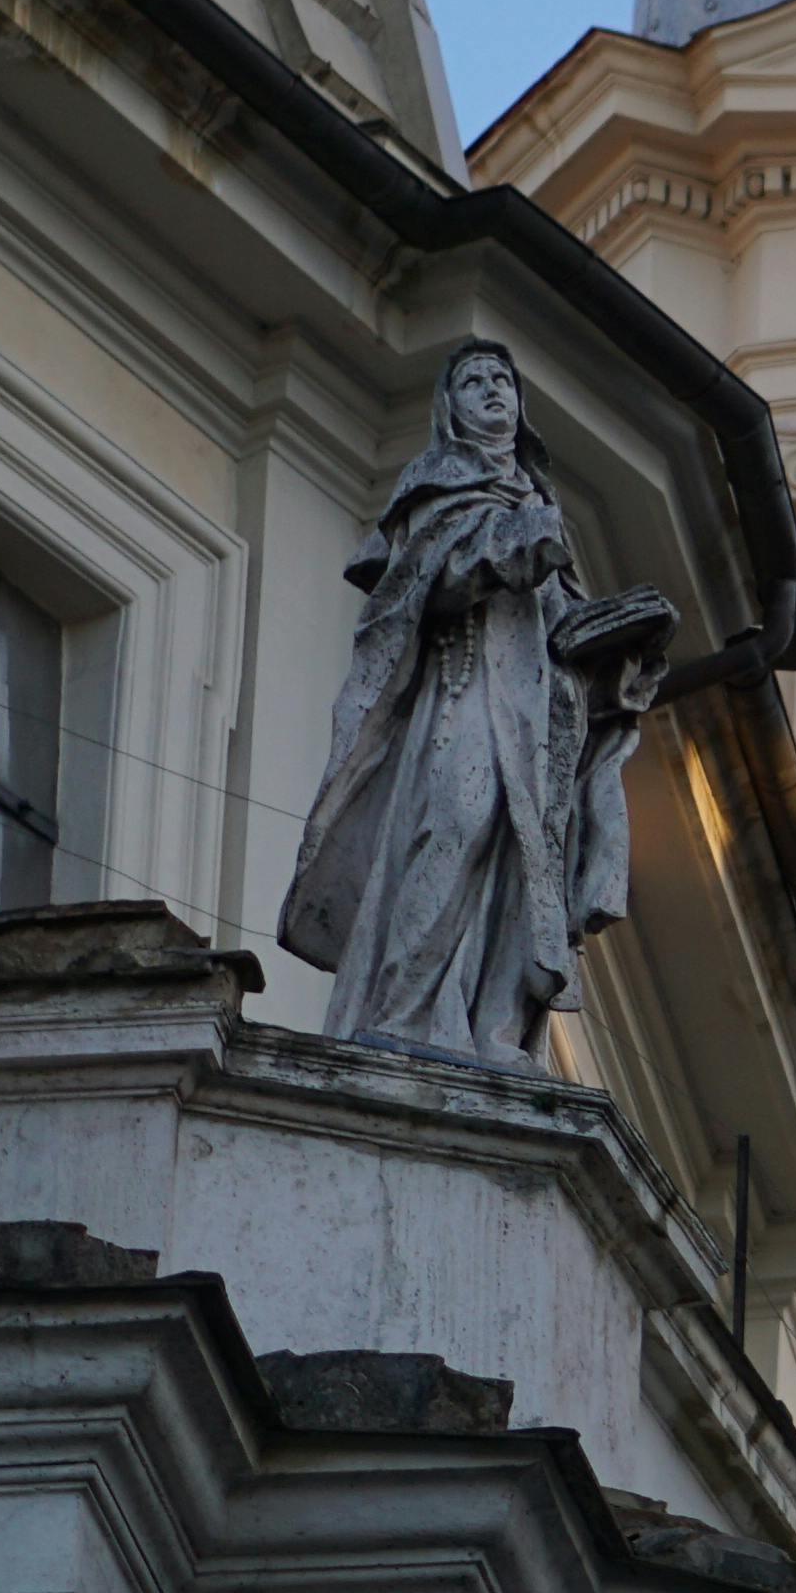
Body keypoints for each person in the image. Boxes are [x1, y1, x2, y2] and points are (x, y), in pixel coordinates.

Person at [278, 341, 675, 1060]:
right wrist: (512, 548)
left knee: (519, 859)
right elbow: (420, 586)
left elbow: (559, 628)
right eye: (473, 380)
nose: (492, 389)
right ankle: (401, 1014)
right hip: (464, 691)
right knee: (456, 823)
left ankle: (491, 1031)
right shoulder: (436, 485)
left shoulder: (537, 504)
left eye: (502, 379)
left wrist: (621, 649)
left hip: (535, 720)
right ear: (449, 408)